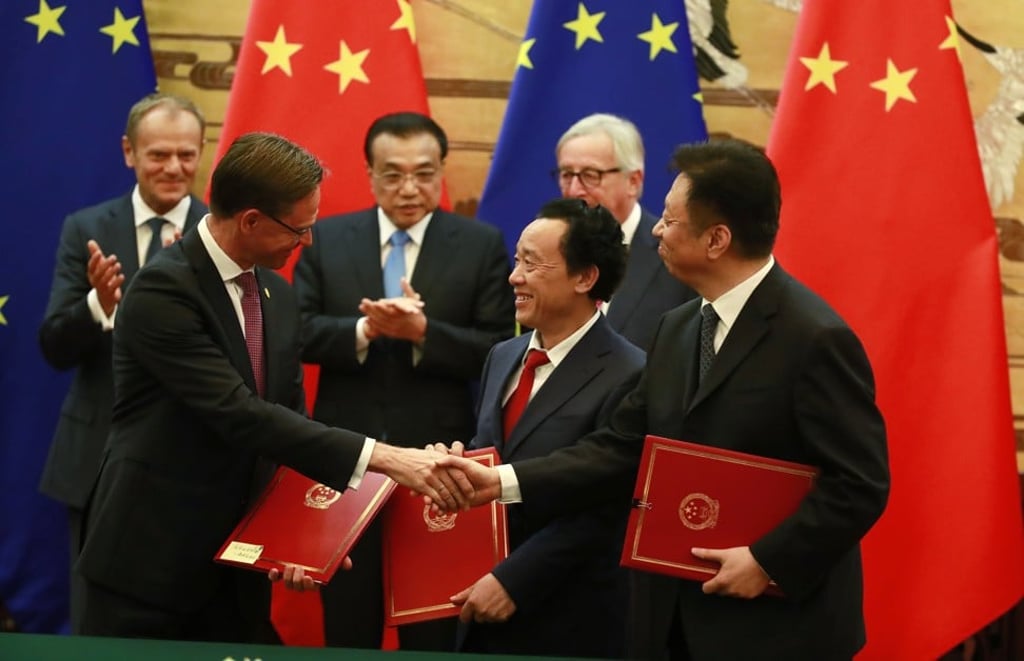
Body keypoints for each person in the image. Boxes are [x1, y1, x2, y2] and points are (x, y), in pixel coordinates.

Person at [437, 138, 890, 660]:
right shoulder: (677, 328)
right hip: (670, 618)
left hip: (776, 628)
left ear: (716, 239)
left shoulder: (814, 337)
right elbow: (619, 447)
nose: (655, 230)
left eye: (670, 220)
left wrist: (768, 561)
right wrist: (499, 482)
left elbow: (859, 484)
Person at [76, 132, 464, 643]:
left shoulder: (274, 293)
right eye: (299, 229)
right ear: (251, 221)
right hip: (149, 567)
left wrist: (305, 536)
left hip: (236, 571)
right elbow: (240, 414)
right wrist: (388, 458)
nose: (307, 242)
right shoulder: (162, 290)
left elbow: (289, 421)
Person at [292, 111, 515, 651]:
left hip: (440, 465)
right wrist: (366, 329)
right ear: (370, 174)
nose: (409, 189)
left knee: (432, 623)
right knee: (349, 622)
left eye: (424, 173)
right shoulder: (327, 239)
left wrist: (423, 333)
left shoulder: (480, 244)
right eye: (393, 174)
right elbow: (295, 332)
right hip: (348, 463)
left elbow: (497, 348)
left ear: (443, 171)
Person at [37, 92, 208, 631]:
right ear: (129, 152)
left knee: (188, 625)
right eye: (158, 154)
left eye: (186, 154)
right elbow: (54, 347)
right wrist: (99, 305)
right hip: (96, 461)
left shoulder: (221, 232)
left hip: (194, 466)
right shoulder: (86, 227)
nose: (174, 168)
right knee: (96, 623)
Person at [450, 198, 644, 658]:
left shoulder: (631, 373)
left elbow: (607, 504)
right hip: (478, 602)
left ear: (585, 277)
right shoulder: (503, 356)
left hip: (569, 615)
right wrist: (458, 465)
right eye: (517, 260)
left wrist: (514, 580)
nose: (514, 277)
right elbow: (491, 455)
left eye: (532, 264)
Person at [555, 113, 697, 351]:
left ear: (633, 181)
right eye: (567, 175)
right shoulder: (551, 251)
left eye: (590, 175)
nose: (574, 190)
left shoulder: (677, 254)